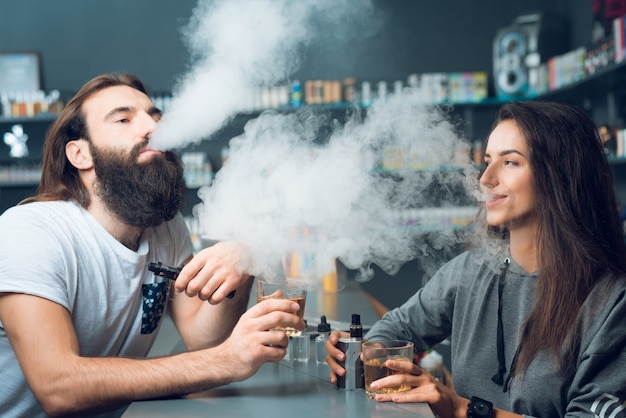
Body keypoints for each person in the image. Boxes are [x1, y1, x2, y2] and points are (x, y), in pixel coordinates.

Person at [0, 72, 305, 418]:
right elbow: (59, 388)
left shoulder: (166, 230)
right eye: (124, 119)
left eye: (155, 117)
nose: (151, 127)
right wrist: (224, 362)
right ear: (80, 154)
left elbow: (202, 339)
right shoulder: (30, 231)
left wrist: (243, 257)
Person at [326, 101, 626, 418]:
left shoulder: (611, 301)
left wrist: (463, 410)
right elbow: (398, 328)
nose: (485, 179)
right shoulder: (472, 270)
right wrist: (364, 352)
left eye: (510, 162)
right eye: (487, 161)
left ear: (561, 175)